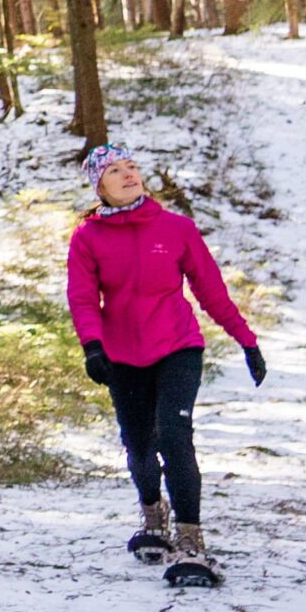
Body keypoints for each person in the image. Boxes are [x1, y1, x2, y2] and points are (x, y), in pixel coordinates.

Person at [67, 144, 265, 588]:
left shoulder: (176, 228)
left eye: (132, 167)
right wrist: (93, 346)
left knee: (174, 437)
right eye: (116, 170)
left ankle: (191, 541)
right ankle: (154, 516)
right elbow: (82, 298)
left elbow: (211, 290)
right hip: (121, 354)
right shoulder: (87, 238)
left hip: (177, 346)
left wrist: (246, 341)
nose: (129, 174)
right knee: (138, 443)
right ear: (100, 185)